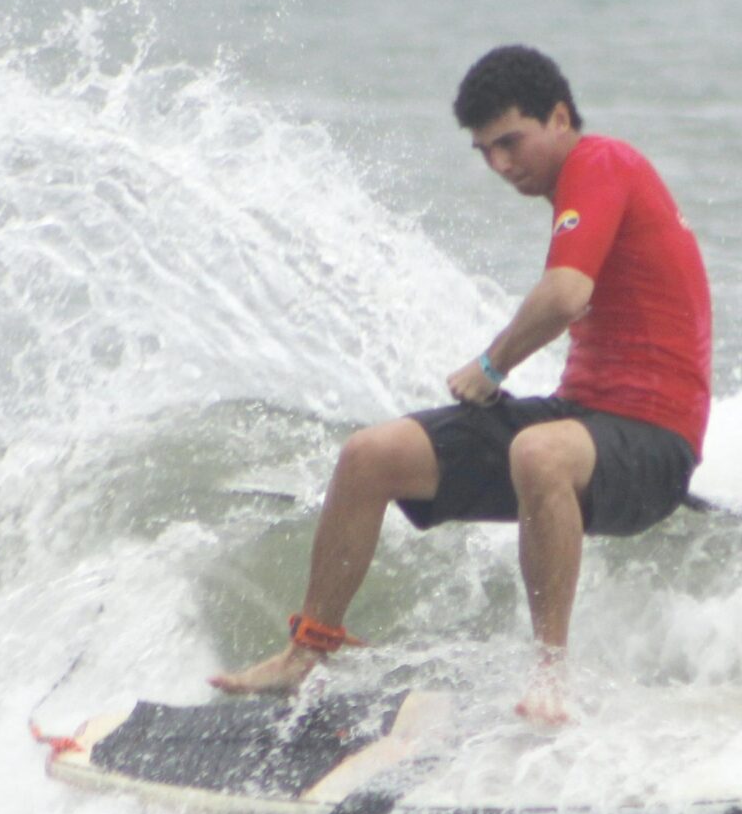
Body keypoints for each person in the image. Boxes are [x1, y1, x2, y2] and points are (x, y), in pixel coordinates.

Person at [211, 44, 713, 725]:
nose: (501, 165)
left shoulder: (601, 162)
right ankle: (309, 648)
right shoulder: (578, 185)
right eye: (484, 151)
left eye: (511, 141)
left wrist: (493, 364)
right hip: (586, 417)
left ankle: (551, 675)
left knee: (539, 450)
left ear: (560, 116)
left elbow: (566, 294)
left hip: (655, 442)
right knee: (369, 455)